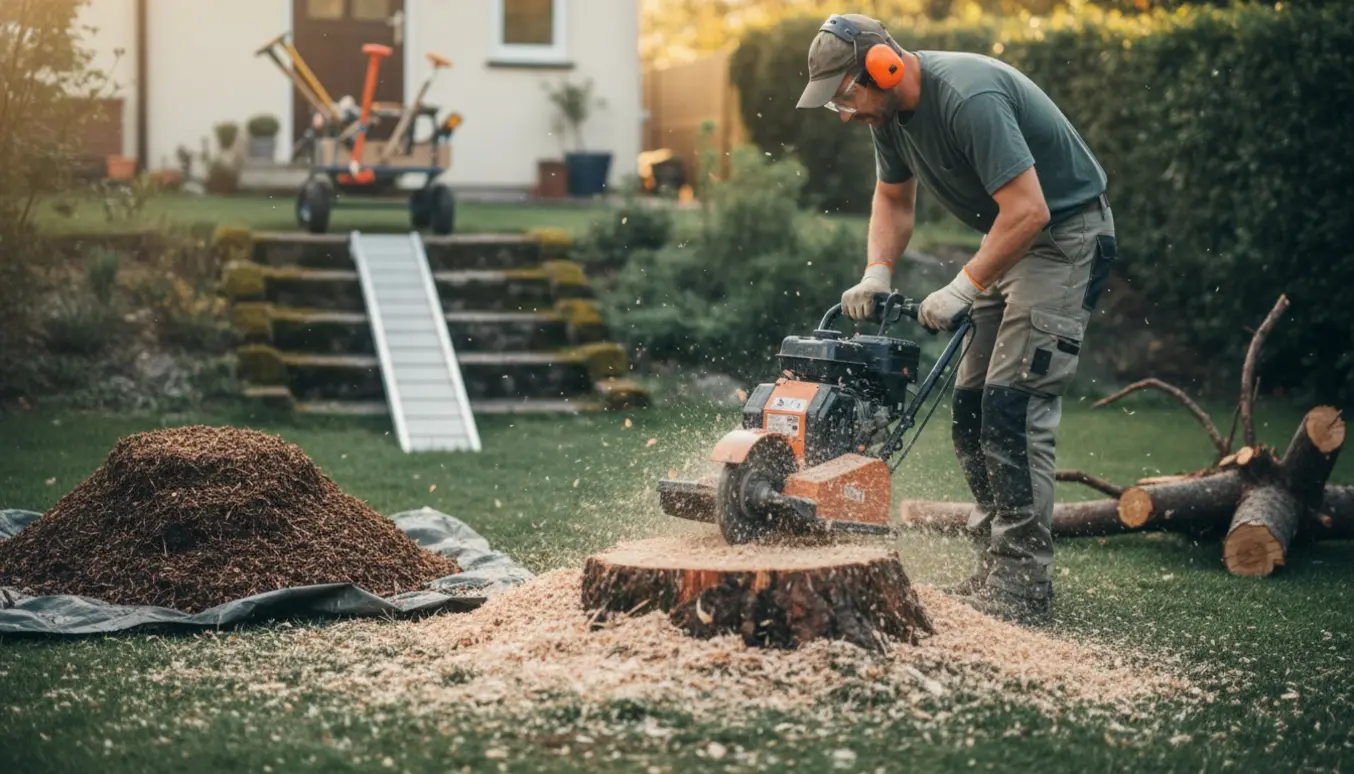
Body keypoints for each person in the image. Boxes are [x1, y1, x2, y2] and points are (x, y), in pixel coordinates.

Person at [797, 13, 1117, 624]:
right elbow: (893, 196)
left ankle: (1024, 586)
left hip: (1063, 238)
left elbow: (1029, 210)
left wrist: (963, 286)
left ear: (884, 67)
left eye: (846, 94)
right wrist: (877, 271)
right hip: (1012, 241)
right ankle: (995, 566)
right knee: (970, 413)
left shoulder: (969, 97)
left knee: (1012, 407)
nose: (843, 111)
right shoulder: (888, 115)